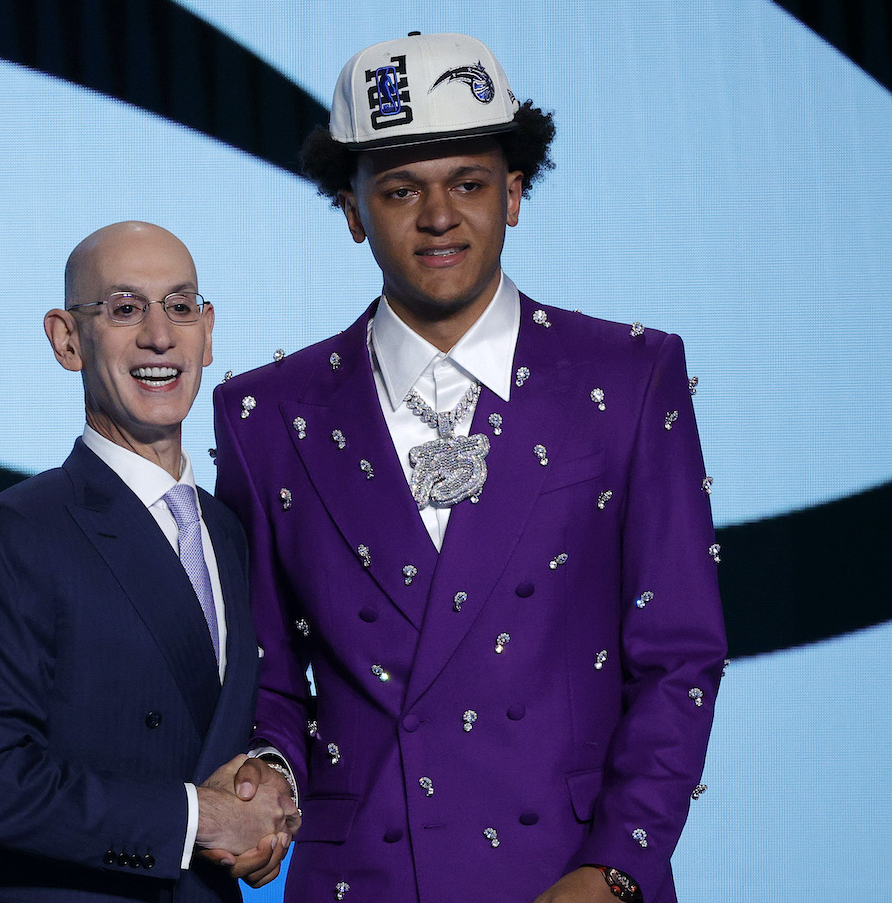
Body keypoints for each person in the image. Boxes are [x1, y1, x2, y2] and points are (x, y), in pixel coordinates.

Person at [213, 33, 726, 903]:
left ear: (515, 192)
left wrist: (613, 873)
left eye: (469, 183)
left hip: (569, 877)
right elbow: (265, 674)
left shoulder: (627, 379)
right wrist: (270, 781)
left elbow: (679, 654)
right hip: (362, 879)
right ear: (350, 208)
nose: (439, 215)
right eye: (402, 189)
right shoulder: (269, 415)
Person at [0, 221, 297, 902]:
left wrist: (265, 790)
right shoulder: (14, 531)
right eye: (125, 308)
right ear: (67, 339)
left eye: (181, 306)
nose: (160, 335)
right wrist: (196, 817)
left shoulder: (228, 531)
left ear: (208, 330)